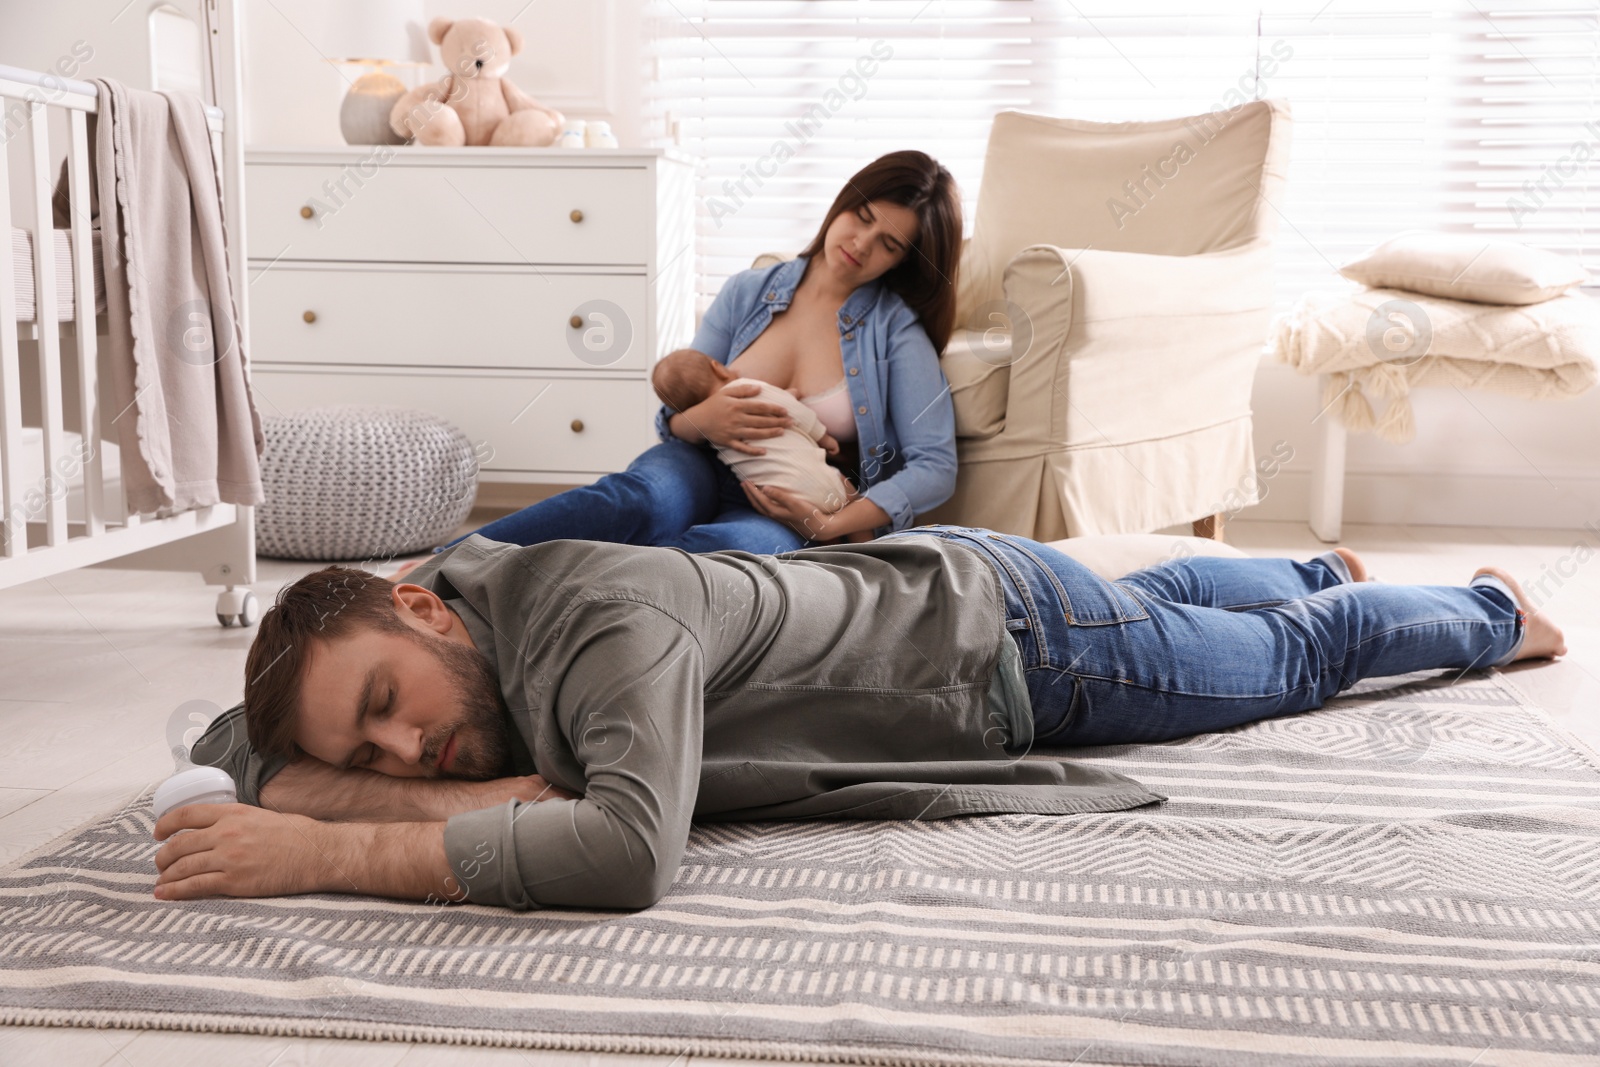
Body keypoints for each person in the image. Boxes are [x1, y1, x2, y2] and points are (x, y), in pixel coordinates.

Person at [168, 528, 1564, 911]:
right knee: (1164, 594)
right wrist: (323, 780)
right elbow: (238, 751)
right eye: (363, 757)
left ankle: (1492, 609)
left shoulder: (601, 615)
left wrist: (336, 841)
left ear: (421, 607)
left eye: (386, 712)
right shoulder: (442, 637)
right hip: (958, 581)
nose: (409, 754)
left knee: (1279, 663)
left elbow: (624, 852)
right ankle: (1312, 562)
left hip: (1013, 652)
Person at [447, 149, 962, 555]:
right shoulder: (748, 291)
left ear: (902, 262)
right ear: (843, 202)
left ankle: (549, 610)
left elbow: (934, 464)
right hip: (695, 463)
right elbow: (673, 417)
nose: (862, 241)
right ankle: (442, 568)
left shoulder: (896, 333)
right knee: (637, 501)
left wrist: (831, 522)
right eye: (862, 215)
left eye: (889, 243)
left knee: (727, 553)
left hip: (785, 504)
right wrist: (703, 419)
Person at [650, 349, 858, 529]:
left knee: (817, 529)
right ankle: (866, 548)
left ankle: (831, 554)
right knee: (850, 498)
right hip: (818, 480)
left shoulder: (715, 437)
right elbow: (795, 412)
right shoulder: (745, 387)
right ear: (718, 368)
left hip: (782, 501)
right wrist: (824, 437)